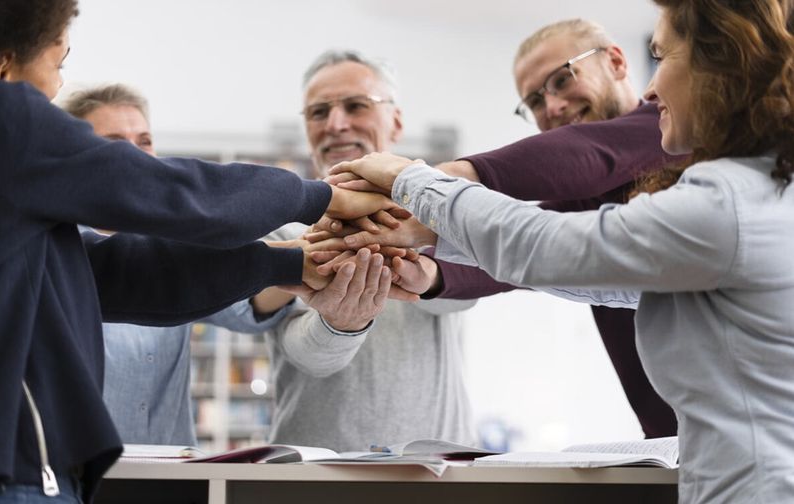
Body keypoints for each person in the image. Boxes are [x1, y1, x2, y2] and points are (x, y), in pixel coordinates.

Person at [0, 1, 399, 502]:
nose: (58, 86)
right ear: (3, 69)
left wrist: (288, 262)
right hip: (1, 479)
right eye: (57, 62)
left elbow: (114, 273)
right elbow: (177, 193)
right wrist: (321, 197)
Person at [331, 0, 794, 501]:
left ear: (718, 62)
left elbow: (545, 241)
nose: (651, 86)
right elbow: (577, 264)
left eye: (661, 56)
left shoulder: (724, 202)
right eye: (533, 100)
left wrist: (411, 179)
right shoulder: (752, 191)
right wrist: (431, 246)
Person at [314, 19, 679, 439]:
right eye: (535, 102)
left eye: (562, 80)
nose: (553, 107)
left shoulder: (670, 131)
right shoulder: (583, 198)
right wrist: (429, 273)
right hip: (674, 444)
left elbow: (593, 153)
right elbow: (517, 247)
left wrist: (417, 180)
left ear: (616, 61)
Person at [247, 50, 476, 452]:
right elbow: (307, 355)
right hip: (311, 478)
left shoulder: (437, 210)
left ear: (397, 121)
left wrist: (427, 271)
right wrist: (341, 322)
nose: (336, 124)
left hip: (436, 474)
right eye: (319, 112)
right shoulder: (279, 229)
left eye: (356, 106)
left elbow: (465, 296)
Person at [60, 84, 294, 446]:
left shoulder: (177, 242)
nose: (136, 157)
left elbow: (247, 304)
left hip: (172, 472)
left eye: (145, 141)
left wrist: (312, 258)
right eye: (114, 142)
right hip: (78, 474)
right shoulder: (54, 250)